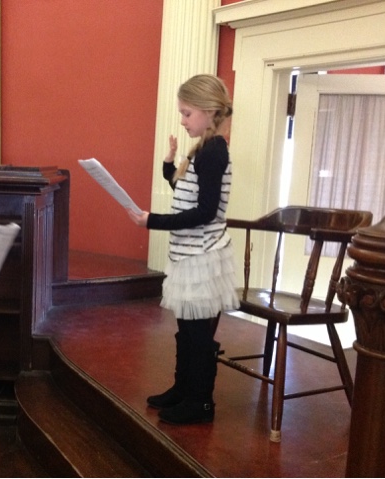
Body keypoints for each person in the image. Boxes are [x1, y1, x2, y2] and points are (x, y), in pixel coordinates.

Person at [127, 74, 239, 425]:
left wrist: (152, 221)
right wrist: (168, 162)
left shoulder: (214, 151)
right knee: (186, 330)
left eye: (187, 113)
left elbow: (205, 211)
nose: (183, 120)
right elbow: (184, 190)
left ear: (209, 112)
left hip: (202, 256)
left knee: (198, 334)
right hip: (189, 255)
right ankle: (183, 388)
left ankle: (200, 402)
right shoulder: (201, 149)